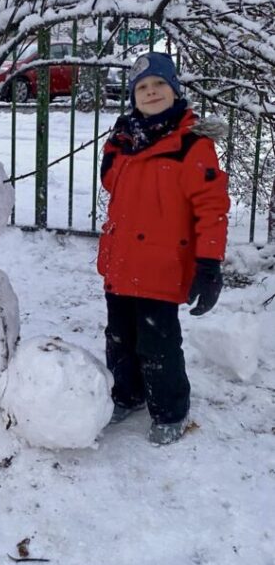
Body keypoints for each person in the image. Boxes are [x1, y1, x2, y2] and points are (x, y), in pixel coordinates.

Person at [97, 51, 230, 445]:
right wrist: (112, 151)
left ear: (174, 91)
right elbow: (112, 183)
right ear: (133, 96)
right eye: (142, 88)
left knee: (158, 343)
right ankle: (127, 394)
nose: (151, 93)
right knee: (119, 337)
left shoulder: (192, 145)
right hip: (122, 261)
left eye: (159, 85)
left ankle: (171, 409)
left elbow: (212, 209)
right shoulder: (124, 141)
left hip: (162, 265)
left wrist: (209, 264)